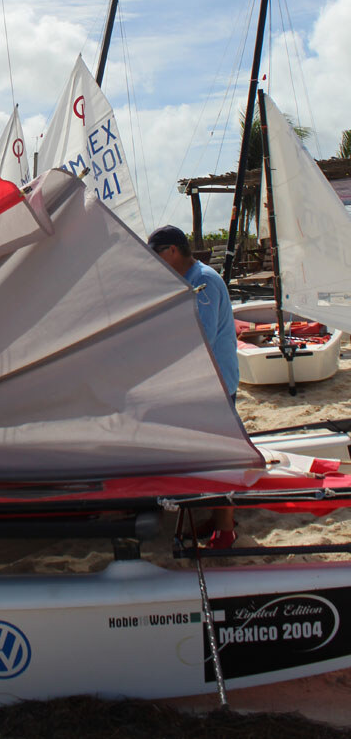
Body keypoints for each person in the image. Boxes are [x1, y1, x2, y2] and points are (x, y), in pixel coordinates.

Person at [147, 224, 238, 549]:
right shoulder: (188, 278)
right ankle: (218, 519)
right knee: (207, 455)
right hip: (202, 384)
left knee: (219, 459)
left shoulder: (204, 281)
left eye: (156, 255)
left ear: (172, 250)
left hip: (215, 385)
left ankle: (225, 531)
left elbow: (202, 337)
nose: (153, 262)